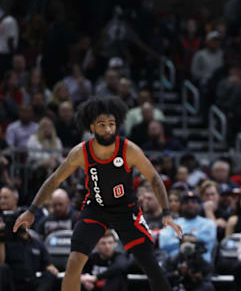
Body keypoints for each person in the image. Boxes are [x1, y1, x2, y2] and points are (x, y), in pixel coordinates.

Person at [12, 96, 183, 291]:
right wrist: (32, 210)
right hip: (96, 208)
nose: (108, 129)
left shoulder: (128, 149)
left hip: (126, 210)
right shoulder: (81, 152)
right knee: (75, 261)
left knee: (150, 265)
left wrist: (167, 212)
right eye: (102, 125)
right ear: (91, 127)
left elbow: (154, 178)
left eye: (111, 124)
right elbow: (55, 180)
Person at [0, 209, 60, 291]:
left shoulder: (37, 243)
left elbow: (48, 264)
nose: (23, 223)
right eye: (20, 220)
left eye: (25, 220)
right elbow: (1, 262)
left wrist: (51, 268)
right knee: (3, 268)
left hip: (33, 281)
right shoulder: (7, 241)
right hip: (13, 282)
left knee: (50, 275)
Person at [159, 191, 216, 264]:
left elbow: (207, 240)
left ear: (199, 204)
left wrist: (178, 238)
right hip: (175, 265)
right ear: (181, 205)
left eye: (194, 201)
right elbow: (163, 244)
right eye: (186, 201)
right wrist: (184, 240)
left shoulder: (208, 223)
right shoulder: (173, 223)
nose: (190, 204)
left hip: (200, 265)